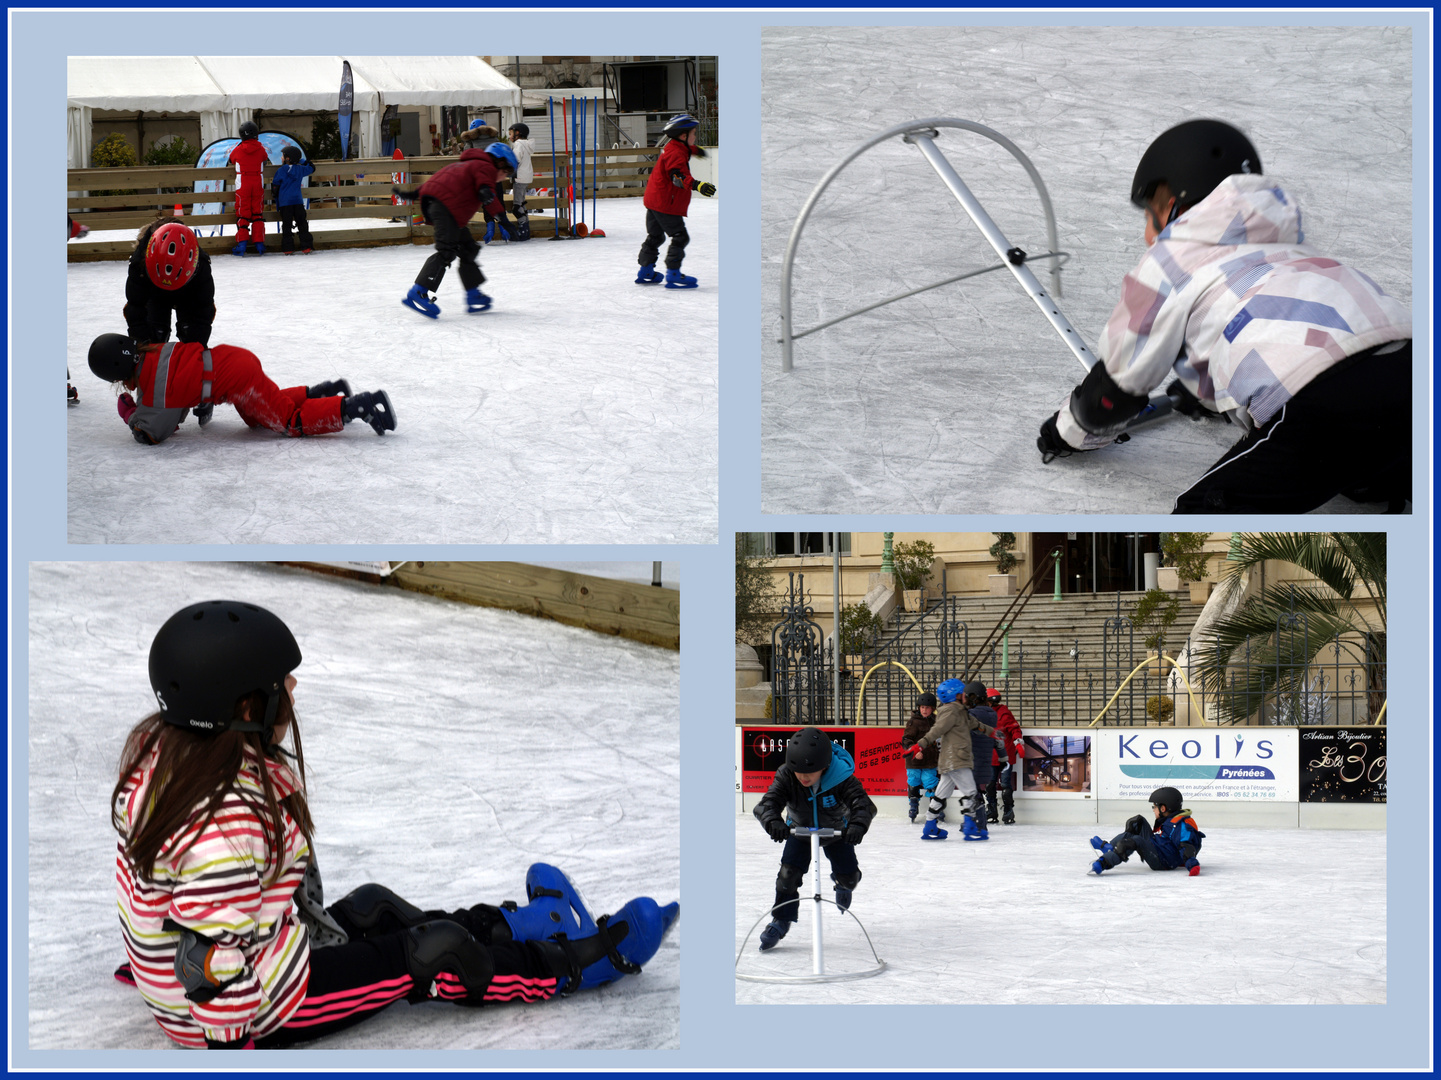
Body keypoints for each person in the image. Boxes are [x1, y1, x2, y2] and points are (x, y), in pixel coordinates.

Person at [112, 600, 679, 1048]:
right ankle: (584, 960)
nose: (292, 690)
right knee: (437, 952)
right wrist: (231, 1049)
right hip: (264, 1008)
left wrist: (152, 967)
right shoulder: (225, 829)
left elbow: (173, 908)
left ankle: (528, 923)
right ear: (241, 708)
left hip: (255, 956)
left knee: (372, 908)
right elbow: (211, 957)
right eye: (279, 682)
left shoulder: (168, 763)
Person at [1037, 119, 1413, 513]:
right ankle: (1372, 477)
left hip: (1322, 402)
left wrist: (1068, 431)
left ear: (1174, 207)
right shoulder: (1297, 252)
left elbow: (1117, 384)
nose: (1148, 235)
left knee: (1200, 519)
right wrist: (1208, 393)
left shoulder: (1173, 258)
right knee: (1373, 447)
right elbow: (1274, 326)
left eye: (1150, 214)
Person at [86, 332, 395, 443]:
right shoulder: (155, 352)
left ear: (118, 377)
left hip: (237, 380)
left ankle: (359, 407)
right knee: (258, 417)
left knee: (289, 422)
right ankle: (322, 391)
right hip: (232, 361)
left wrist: (130, 414)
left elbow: (153, 433)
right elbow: (175, 399)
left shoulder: (154, 393)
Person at [752, 727, 875, 952]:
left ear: (825, 766)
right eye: (798, 772)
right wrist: (773, 822)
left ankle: (842, 884)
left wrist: (857, 825)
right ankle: (781, 919)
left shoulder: (842, 777)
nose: (803, 777)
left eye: (809, 772)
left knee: (850, 878)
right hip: (799, 831)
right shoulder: (787, 775)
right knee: (787, 876)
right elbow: (766, 804)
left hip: (837, 833)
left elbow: (863, 804)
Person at [397, 142, 519, 318]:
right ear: (499, 163)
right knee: (447, 250)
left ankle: (472, 293)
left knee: (468, 248)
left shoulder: (470, 164)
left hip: (447, 210)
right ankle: (418, 291)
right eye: (506, 173)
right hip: (445, 208)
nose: (503, 177)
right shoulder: (485, 167)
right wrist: (504, 220)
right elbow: (487, 192)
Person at [635, 113, 716, 289]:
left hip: (654, 200)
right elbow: (678, 175)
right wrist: (697, 185)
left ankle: (645, 270)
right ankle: (673, 274)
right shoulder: (676, 154)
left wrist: (697, 150)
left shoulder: (675, 147)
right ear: (683, 136)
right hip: (665, 203)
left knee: (655, 236)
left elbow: (685, 150)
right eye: (693, 133)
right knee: (680, 237)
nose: (695, 136)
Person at [915, 679, 1001, 841]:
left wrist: (992, 732)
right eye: (963, 694)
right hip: (958, 760)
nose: (966, 696)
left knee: (941, 794)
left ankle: (930, 825)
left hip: (949, 761)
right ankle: (970, 827)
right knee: (970, 792)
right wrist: (920, 745)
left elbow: (975, 724)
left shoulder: (959, 711)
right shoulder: (952, 712)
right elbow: (937, 730)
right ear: (956, 695)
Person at [124, 220, 216, 348]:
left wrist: (196, 348)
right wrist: (142, 347)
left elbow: (203, 310)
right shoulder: (138, 264)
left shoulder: (201, 265)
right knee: (155, 333)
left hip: (188, 293)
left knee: (190, 333)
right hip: (155, 293)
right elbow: (136, 309)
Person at [1089, 786, 1205, 876]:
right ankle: (1109, 847)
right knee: (1138, 823)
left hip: (1163, 861)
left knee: (1135, 841)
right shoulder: (1171, 820)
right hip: (1160, 847)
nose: (1153, 810)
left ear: (1163, 808)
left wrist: (1192, 864)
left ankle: (1104, 862)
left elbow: (1186, 845)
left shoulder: (1181, 825)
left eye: (1154, 807)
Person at [227, 121, 271, 256]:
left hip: (243, 183)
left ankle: (242, 244)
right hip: (257, 181)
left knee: (243, 212)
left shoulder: (238, 149)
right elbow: (265, 159)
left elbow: (231, 160)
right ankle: (259, 244)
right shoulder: (260, 148)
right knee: (257, 212)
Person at [983, 689, 1024, 825]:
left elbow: (1015, 729)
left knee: (1005, 784)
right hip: (990, 756)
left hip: (1005, 755)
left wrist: (1018, 743)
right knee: (989, 785)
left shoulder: (1004, 713)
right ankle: (992, 810)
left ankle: (1008, 811)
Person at [900, 692, 941, 823]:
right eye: (922, 707)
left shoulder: (936, 721)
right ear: (919, 707)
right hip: (914, 761)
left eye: (927, 707)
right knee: (914, 780)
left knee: (930, 781)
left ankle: (935, 808)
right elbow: (906, 740)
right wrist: (914, 751)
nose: (924, 710)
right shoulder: (914, 722)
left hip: (930, 760)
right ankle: (913, 805)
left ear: (933, 709)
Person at [271, 146, 317, 255]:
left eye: (283, 156)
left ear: (288, 158)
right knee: (302, 223)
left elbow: (275, 185)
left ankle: (288, 248)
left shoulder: (281, 170)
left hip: (285, 202)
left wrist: (275, 195)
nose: (281, 158)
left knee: (286, 225)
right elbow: (312, 167)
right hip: (297, 201)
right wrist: (300, 160)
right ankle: (306, 246)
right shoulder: (301, 169)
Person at [508, 122, 535, 216]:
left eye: (511, 134)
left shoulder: (519, 145)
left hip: (519, 178)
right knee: (521, 202)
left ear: (517, 133)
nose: (509, 137)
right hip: (525, 177)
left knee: (517, 205)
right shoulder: (526, 145)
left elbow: (515, 159)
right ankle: (525, 221)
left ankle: (523, 225)